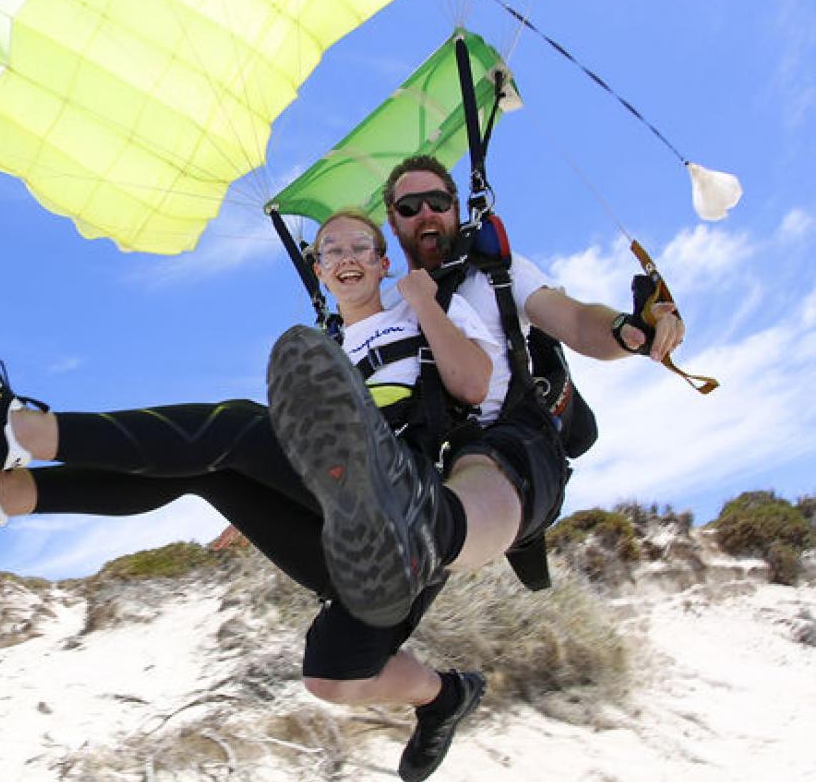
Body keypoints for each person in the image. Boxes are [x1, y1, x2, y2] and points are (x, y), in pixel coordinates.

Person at [0, 207, 500, 782]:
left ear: (382, 261)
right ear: (317, 270)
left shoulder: (421, 318)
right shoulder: (324, 355)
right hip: (348, 534)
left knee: (236, 429)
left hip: (411, 514)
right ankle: (4, 496)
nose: (346, 258)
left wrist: (424, 299)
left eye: (359, 248)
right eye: (331, 251)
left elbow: (475, 384)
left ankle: (17, 430)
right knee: (216, 479)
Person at [267, 153, 685, 636]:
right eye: (409, 208)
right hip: (432, 461)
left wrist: (626, 329)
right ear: (394, 228)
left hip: (516, 440)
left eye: (437, 201)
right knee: (351, 647)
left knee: (474, 469)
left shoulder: (497, 274)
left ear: (456, 208)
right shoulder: (391, 305)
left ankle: (459, 532)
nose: (425, 213)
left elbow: (573, 320)